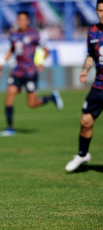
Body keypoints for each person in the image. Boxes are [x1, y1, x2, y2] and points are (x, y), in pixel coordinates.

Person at [0, 11, 64, 137]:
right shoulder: (14, 35)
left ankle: (50, 97)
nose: (21, 22)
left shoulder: (34, 34)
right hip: (17, 71)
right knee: (10, 96)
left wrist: (41, 62)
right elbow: (11, 50)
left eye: (24, 19)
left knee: (32, 104)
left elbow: (45, 50)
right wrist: (1, 64)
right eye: (19, 19)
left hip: (30, 73)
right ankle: (10, 128)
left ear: (28, 21)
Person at [65, 0, 103, 172]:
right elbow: (91, 55)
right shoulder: (93, 31)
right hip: (98, 86)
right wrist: (85, 70)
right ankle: (82, 155)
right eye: (101, 11)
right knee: (85, 121)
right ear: (96, 11)